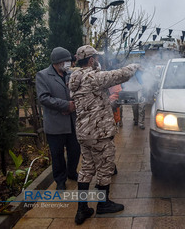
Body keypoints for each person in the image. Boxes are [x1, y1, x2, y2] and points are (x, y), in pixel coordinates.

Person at [69, 45, 140, 225]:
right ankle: (103, 204)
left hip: (84, 132)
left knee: (86, 169)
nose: (98, 61)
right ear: (91, 60)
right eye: (96, 59)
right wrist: (134, 66)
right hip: (99, 132)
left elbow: (92, 99)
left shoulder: (75, 77)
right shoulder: (93, 77)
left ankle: (81, 209)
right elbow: (119, 75)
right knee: (105, 167)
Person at [36, 47, 80, 190]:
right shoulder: (43, 75)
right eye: (66, 61)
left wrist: (75, 104)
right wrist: (65, 106)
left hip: (72, 122)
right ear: (58, 62)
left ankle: (72, 172)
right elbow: (44, 98)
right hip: (55, 123)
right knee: (57, 154)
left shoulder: (70, 74)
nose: (69, 63)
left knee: (75, 150)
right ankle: (60, 180)